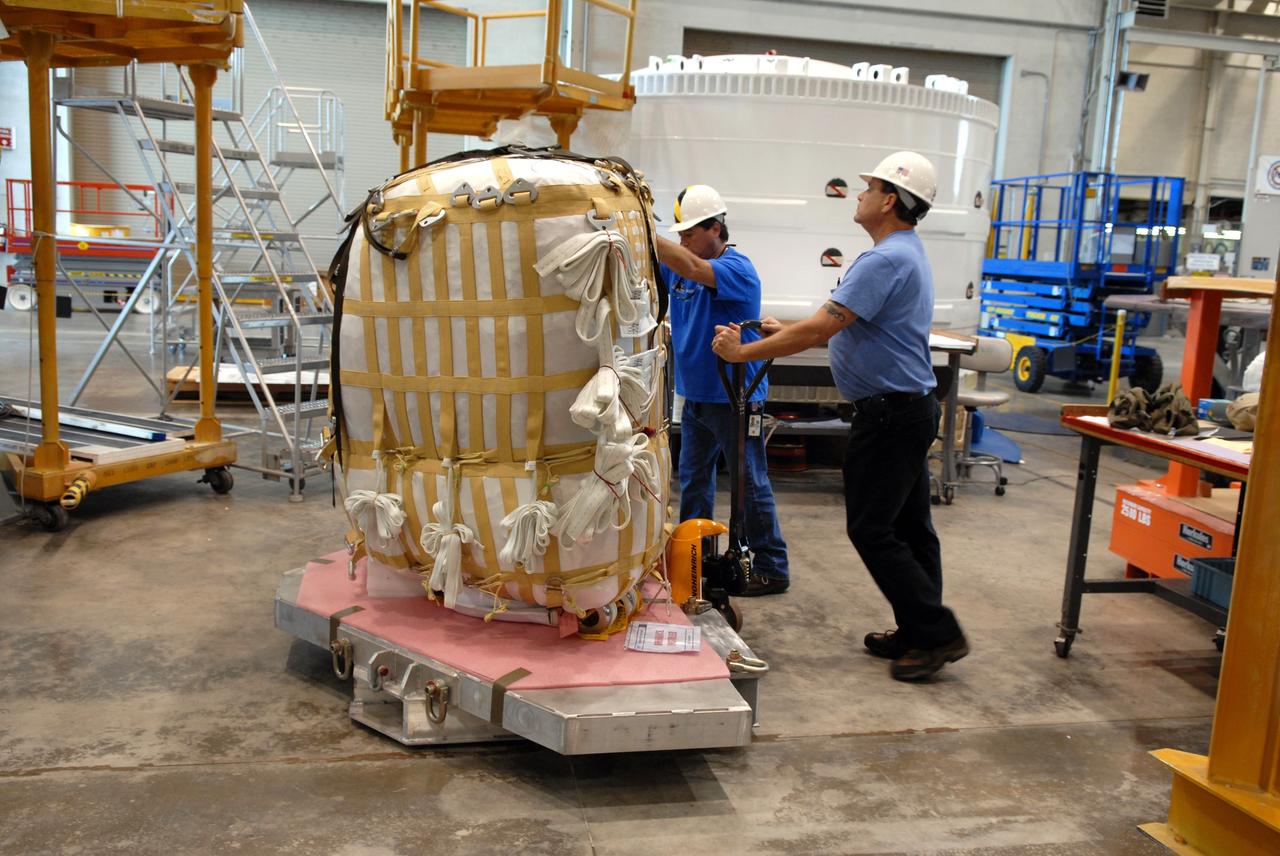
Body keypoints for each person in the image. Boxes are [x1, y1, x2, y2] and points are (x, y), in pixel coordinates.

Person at [711, 152, 967, 680]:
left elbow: (822, 329)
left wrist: (742, 354)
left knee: (872, 529)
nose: (859, 195)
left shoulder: (885, 259)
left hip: (891, 415)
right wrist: (782, 330)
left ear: (890, 199)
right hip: (909, 408)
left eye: (868, 187)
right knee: (911, 528)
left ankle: (937, 633)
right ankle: (919, 631)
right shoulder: (902, 252)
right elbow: (844, 324)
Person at [654, 184, 790, 596]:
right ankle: (697, 558)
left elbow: (694, 269)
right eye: (678, 235)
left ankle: (772, 565)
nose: (683, 242)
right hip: (694, 397)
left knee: (750, 483)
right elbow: (654, 266)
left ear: (716, 228)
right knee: (693, 480)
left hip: (735, 399)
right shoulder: (680, 266)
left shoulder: (737, 269)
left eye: (689, 233)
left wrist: (641, 225)